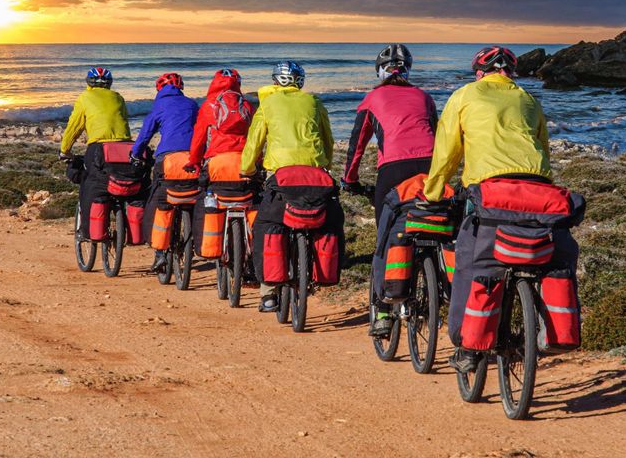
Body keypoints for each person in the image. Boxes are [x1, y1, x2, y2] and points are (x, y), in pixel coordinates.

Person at [421, 46, 577, 372]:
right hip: (539, 190)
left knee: (469, 260)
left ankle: (468, 348)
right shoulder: (529, 100)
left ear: (479, 72)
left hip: (491, 193)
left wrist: (434, 192)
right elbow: (543, 151)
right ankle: (550, 332)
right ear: (512, 73)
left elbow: (447, 151)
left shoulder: (464, 95)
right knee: (552, 256)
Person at [341, 44, 438, 336]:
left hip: (393, 170)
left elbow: (357, 145)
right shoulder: (424, 96)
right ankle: (441, 287)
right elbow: (437, 132)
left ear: (380, 72)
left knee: (384, 238)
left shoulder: (372, 98)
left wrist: (350, 179)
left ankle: (383, 311)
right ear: (407, 71)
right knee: (437, 224)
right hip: (430, 166)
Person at [240, 61, 338, 312]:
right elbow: (328, 140)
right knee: (328, 220)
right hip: (314, 173)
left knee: (267, 224)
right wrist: (324, 165)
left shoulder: (268, 104)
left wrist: (247, 169)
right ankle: (318, 273)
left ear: (275, 81)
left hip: (280, 175)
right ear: (301, 82)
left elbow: (255, 141)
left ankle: (269, 293)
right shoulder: (314, 102)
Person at [134, 73, 199, 270]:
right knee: (194, 195)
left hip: (167, 159)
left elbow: (145, 134)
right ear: (181, 87)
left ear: (159, 90)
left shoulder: (159, 106)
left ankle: (159, 252)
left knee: (159, 198)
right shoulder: (192, 104)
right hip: (192, 158)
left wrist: (135, 154)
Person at [59, 67, 132, 238]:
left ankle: (87, 231)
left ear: (88, 82)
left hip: (99, 148)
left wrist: (65, 150)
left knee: (88, 182)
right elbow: (124, 121)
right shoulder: (118, 97)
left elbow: (74, 127)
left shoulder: (85, 98)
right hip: (125, 147)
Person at [186, 68, 255, 244]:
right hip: (243, 162)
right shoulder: (247, 105)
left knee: (208, 196)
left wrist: (194, 160)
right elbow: (256, 138)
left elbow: (199, 138)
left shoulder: (208, 105)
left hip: (217, 163)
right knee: (254, 197)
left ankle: (211, 245)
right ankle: (252, 245)